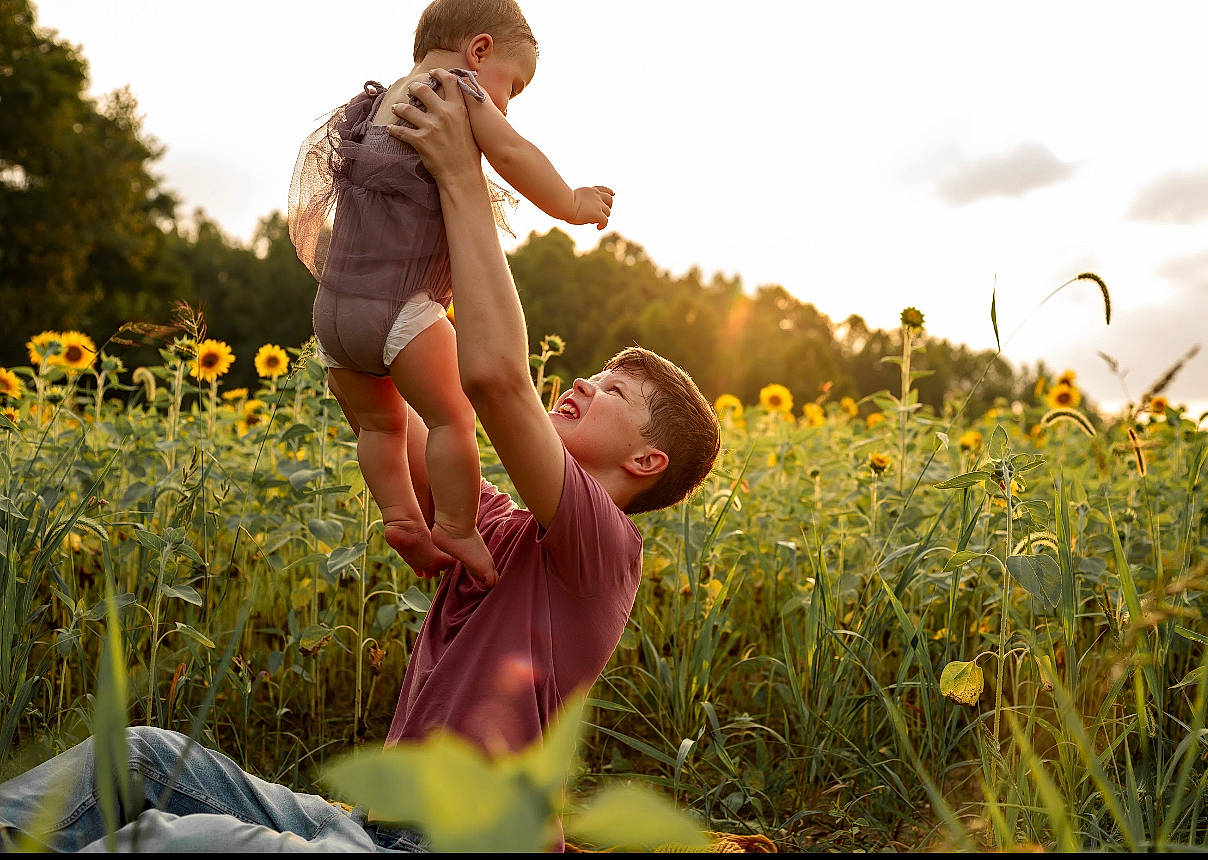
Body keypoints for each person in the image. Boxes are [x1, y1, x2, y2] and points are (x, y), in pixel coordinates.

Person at [0, 29, 721, 855]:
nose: (583, 385)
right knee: (140, 757)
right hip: (375, 831)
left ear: (645, 462)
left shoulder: (601, 549)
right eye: (593, 374)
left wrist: (461, 176)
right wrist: (372, 266)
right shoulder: (490, 527)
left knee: (178, 837)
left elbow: (493, 379)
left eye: (614, 394)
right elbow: (388, 415)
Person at [289, 0, 615, 584]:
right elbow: (513, 154)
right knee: (453, 418)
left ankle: (399, 516)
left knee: (380, 427)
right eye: (512, 87)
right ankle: (456, 525)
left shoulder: (374, 102)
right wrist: (573, 203)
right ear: (479, 50)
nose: (506, 103)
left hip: (333, 312)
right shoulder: (455, 89)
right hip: (401, 311)